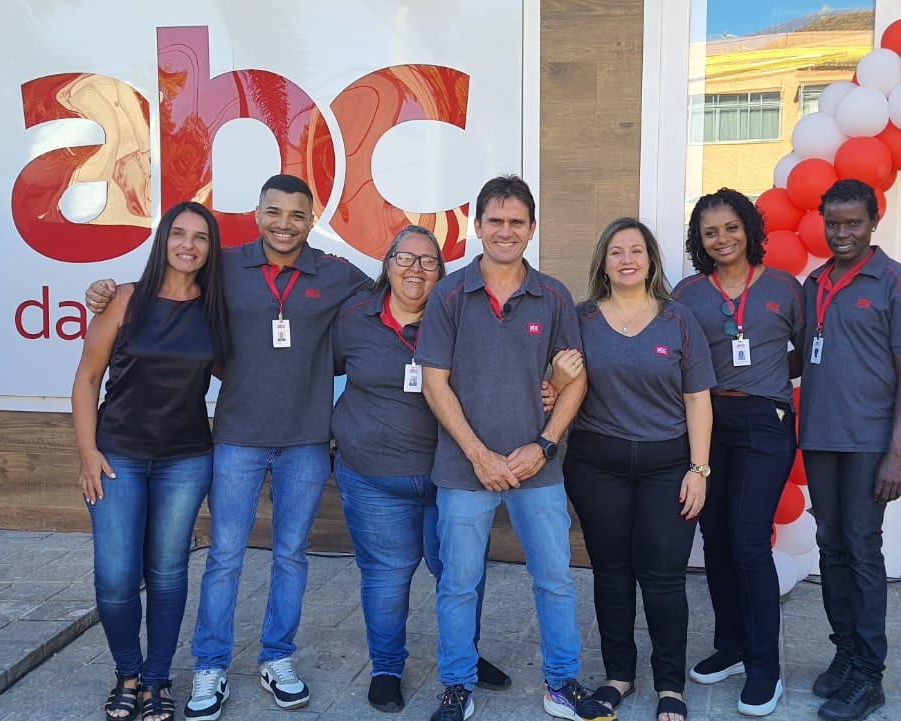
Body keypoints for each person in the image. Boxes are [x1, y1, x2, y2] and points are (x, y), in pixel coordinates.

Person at [85, 174, 371, 720]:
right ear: (257, 214)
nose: (284, 224)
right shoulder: (222, 267)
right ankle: (211, 664)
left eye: (297, 214)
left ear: (312, 221)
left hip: (307, 440)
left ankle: (277, 657)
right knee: (224, 558)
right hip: (235, 439)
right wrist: (104, 291)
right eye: (274, 212)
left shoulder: (336, 274)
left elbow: (394, 298)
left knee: (291, 556)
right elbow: (164, 289)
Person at [415, 174, 612, 721]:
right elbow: (434, 382)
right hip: (464, 468)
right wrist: (480, 455)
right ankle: (457, 685)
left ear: (532, 228)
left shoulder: (553, 296)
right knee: (459, 584)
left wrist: (544, 445)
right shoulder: (449, 295)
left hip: (537, 469)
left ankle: (561, 684)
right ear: (477, 226)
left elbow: (575, 379)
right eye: (496, 221)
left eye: (516, 222)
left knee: (555, 580)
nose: (506, 231)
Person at [330, 225, 512, 713]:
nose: (415, 269)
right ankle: (387, 667)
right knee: (386, 578)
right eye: (405, 258)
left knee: (462, 575)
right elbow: (317, 370)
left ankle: (464, 657)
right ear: (387, 264)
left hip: (450, 474)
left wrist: (548, 386)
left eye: (428, 261)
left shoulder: (460, 317)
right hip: (372, 476)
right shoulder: (353, 318)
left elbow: (502, 374)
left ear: (441, 272)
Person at [71, 203, 230, 721]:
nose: (188, 245)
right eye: (178, 234)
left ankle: (157, 679)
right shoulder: (124, 299)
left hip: (185, 460)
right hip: (117, 456)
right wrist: (88, 452)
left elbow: (241, 373)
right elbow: (87, 379)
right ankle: (128, 674)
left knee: (166, 573)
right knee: (117, 576)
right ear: (163, 240)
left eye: (200, 237)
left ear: (210, 249)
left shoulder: (215, 309)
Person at [555, 218, 714, 721]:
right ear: (603, 262)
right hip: (596, 466)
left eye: (637, 251)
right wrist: (553, 379)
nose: (627, 259)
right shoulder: (579, 319)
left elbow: (698, 398)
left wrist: (699, 469)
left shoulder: (678, 319)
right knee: (612, 574)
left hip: (668, 467)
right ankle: (619, 675)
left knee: (664, 578)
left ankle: (670, 685)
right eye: (617, 251)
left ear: (651, 261)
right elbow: (556, 386)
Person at [673, 188, 806, 717]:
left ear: (749, 228)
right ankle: (730, 646)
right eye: (710, 232)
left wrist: (765, 377)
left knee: (749, 542)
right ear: (699, 241)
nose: (722, 239)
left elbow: (808, 352)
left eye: (731, 227)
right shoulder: (688, 294)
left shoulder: (784, 288)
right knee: (716, 539)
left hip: (765, 424)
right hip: (708, 422)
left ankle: (764, 668)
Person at [797, 179, 901, 721]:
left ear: (874, 221)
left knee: (862, 549)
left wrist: (898, 454)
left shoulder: (899, 284)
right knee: (830, 546)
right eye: (833, 223)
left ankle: (869, 675)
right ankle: (846, 653)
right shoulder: (814, 282)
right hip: (820, 436)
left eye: (853, 223)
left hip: (870, 442)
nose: (842, 233)